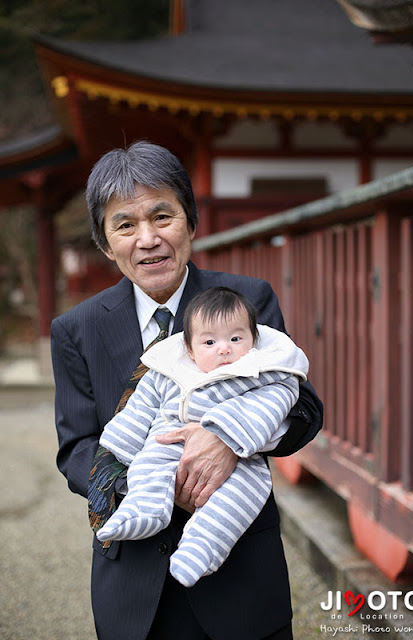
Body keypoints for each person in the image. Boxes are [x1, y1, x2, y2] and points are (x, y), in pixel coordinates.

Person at [51, 140, 323, 640]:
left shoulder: (246, 299)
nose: (148, 238)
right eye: (125, 224)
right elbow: (75, 447)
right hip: (133, 582)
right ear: (105, 243)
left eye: (162, 216)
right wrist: (153, 487)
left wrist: (229, 438)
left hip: (239, 565)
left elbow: (303, 406)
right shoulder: (77, 329)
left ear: (191, 223)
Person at [96, 287, 309, 588]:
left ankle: (202, 549)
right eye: (210, 342)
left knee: (238, 499)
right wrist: (122, 442)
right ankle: (142, 509)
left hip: (239, 458)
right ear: (190, 349)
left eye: (236, 339)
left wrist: (224, 434)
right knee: (148, 463)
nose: (224, 349)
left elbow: (274, 405)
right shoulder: (170, 369)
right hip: (170, 439)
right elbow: (142, 404)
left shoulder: (263, 372)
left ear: (253, 339)